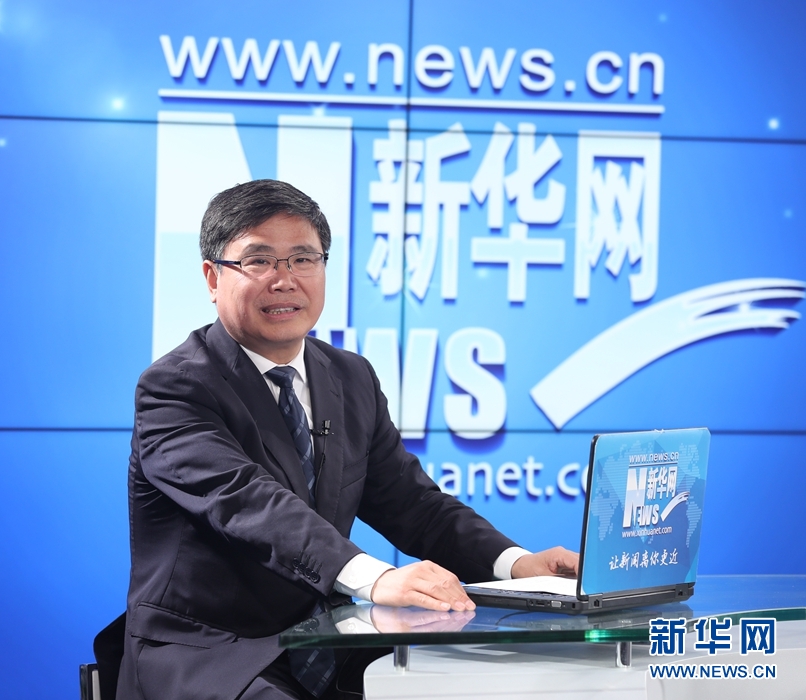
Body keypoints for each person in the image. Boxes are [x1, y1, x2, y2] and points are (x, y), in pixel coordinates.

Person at [117, 179, 578, 700]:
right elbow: (248, 503)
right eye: (259, 261)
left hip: (330, 643)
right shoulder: (175, 386)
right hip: (213, 653)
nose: (284, 280)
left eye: (303, 259)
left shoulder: (350, 376)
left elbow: (412, 504)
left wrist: (516, 566)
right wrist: (374, 578)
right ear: (212, 277)